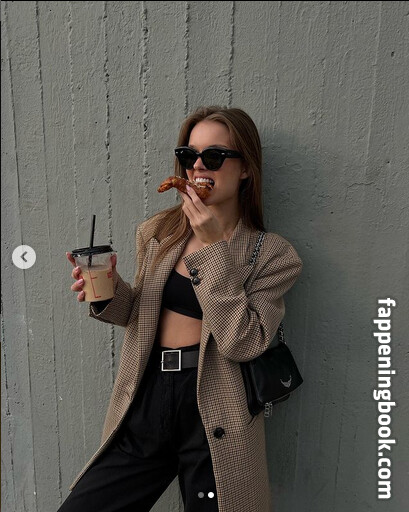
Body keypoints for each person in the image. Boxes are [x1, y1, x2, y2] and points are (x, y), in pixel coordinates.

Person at [59, 106, 303, 512]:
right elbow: (139, 314)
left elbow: (244, 342)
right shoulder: (159, 232)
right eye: (189, 156)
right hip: (147, 395)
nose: (198, 166)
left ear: (245, 168)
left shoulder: (272, 255)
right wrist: (107, 291)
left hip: (214, 408)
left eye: (214, 156)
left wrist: (212, 248)